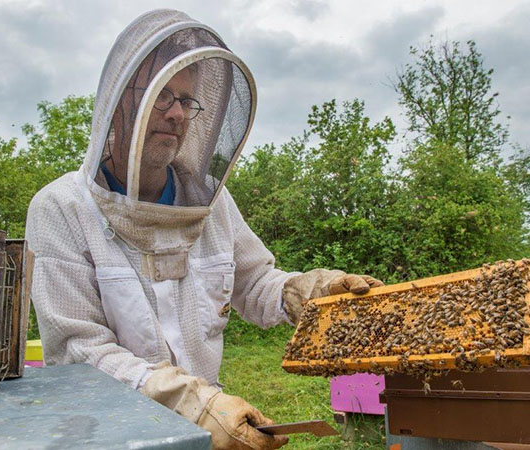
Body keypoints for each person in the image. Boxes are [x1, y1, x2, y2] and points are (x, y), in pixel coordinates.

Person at [26, 9, 382, 450]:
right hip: (111, 436)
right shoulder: (61, 209)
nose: (178, 114)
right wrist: (190, 403)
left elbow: (253, 282)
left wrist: (302, 291)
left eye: (187, 100)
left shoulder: (210, 202)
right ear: (119, 102)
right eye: (162, 95)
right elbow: (79, 350)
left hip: (208, 434)